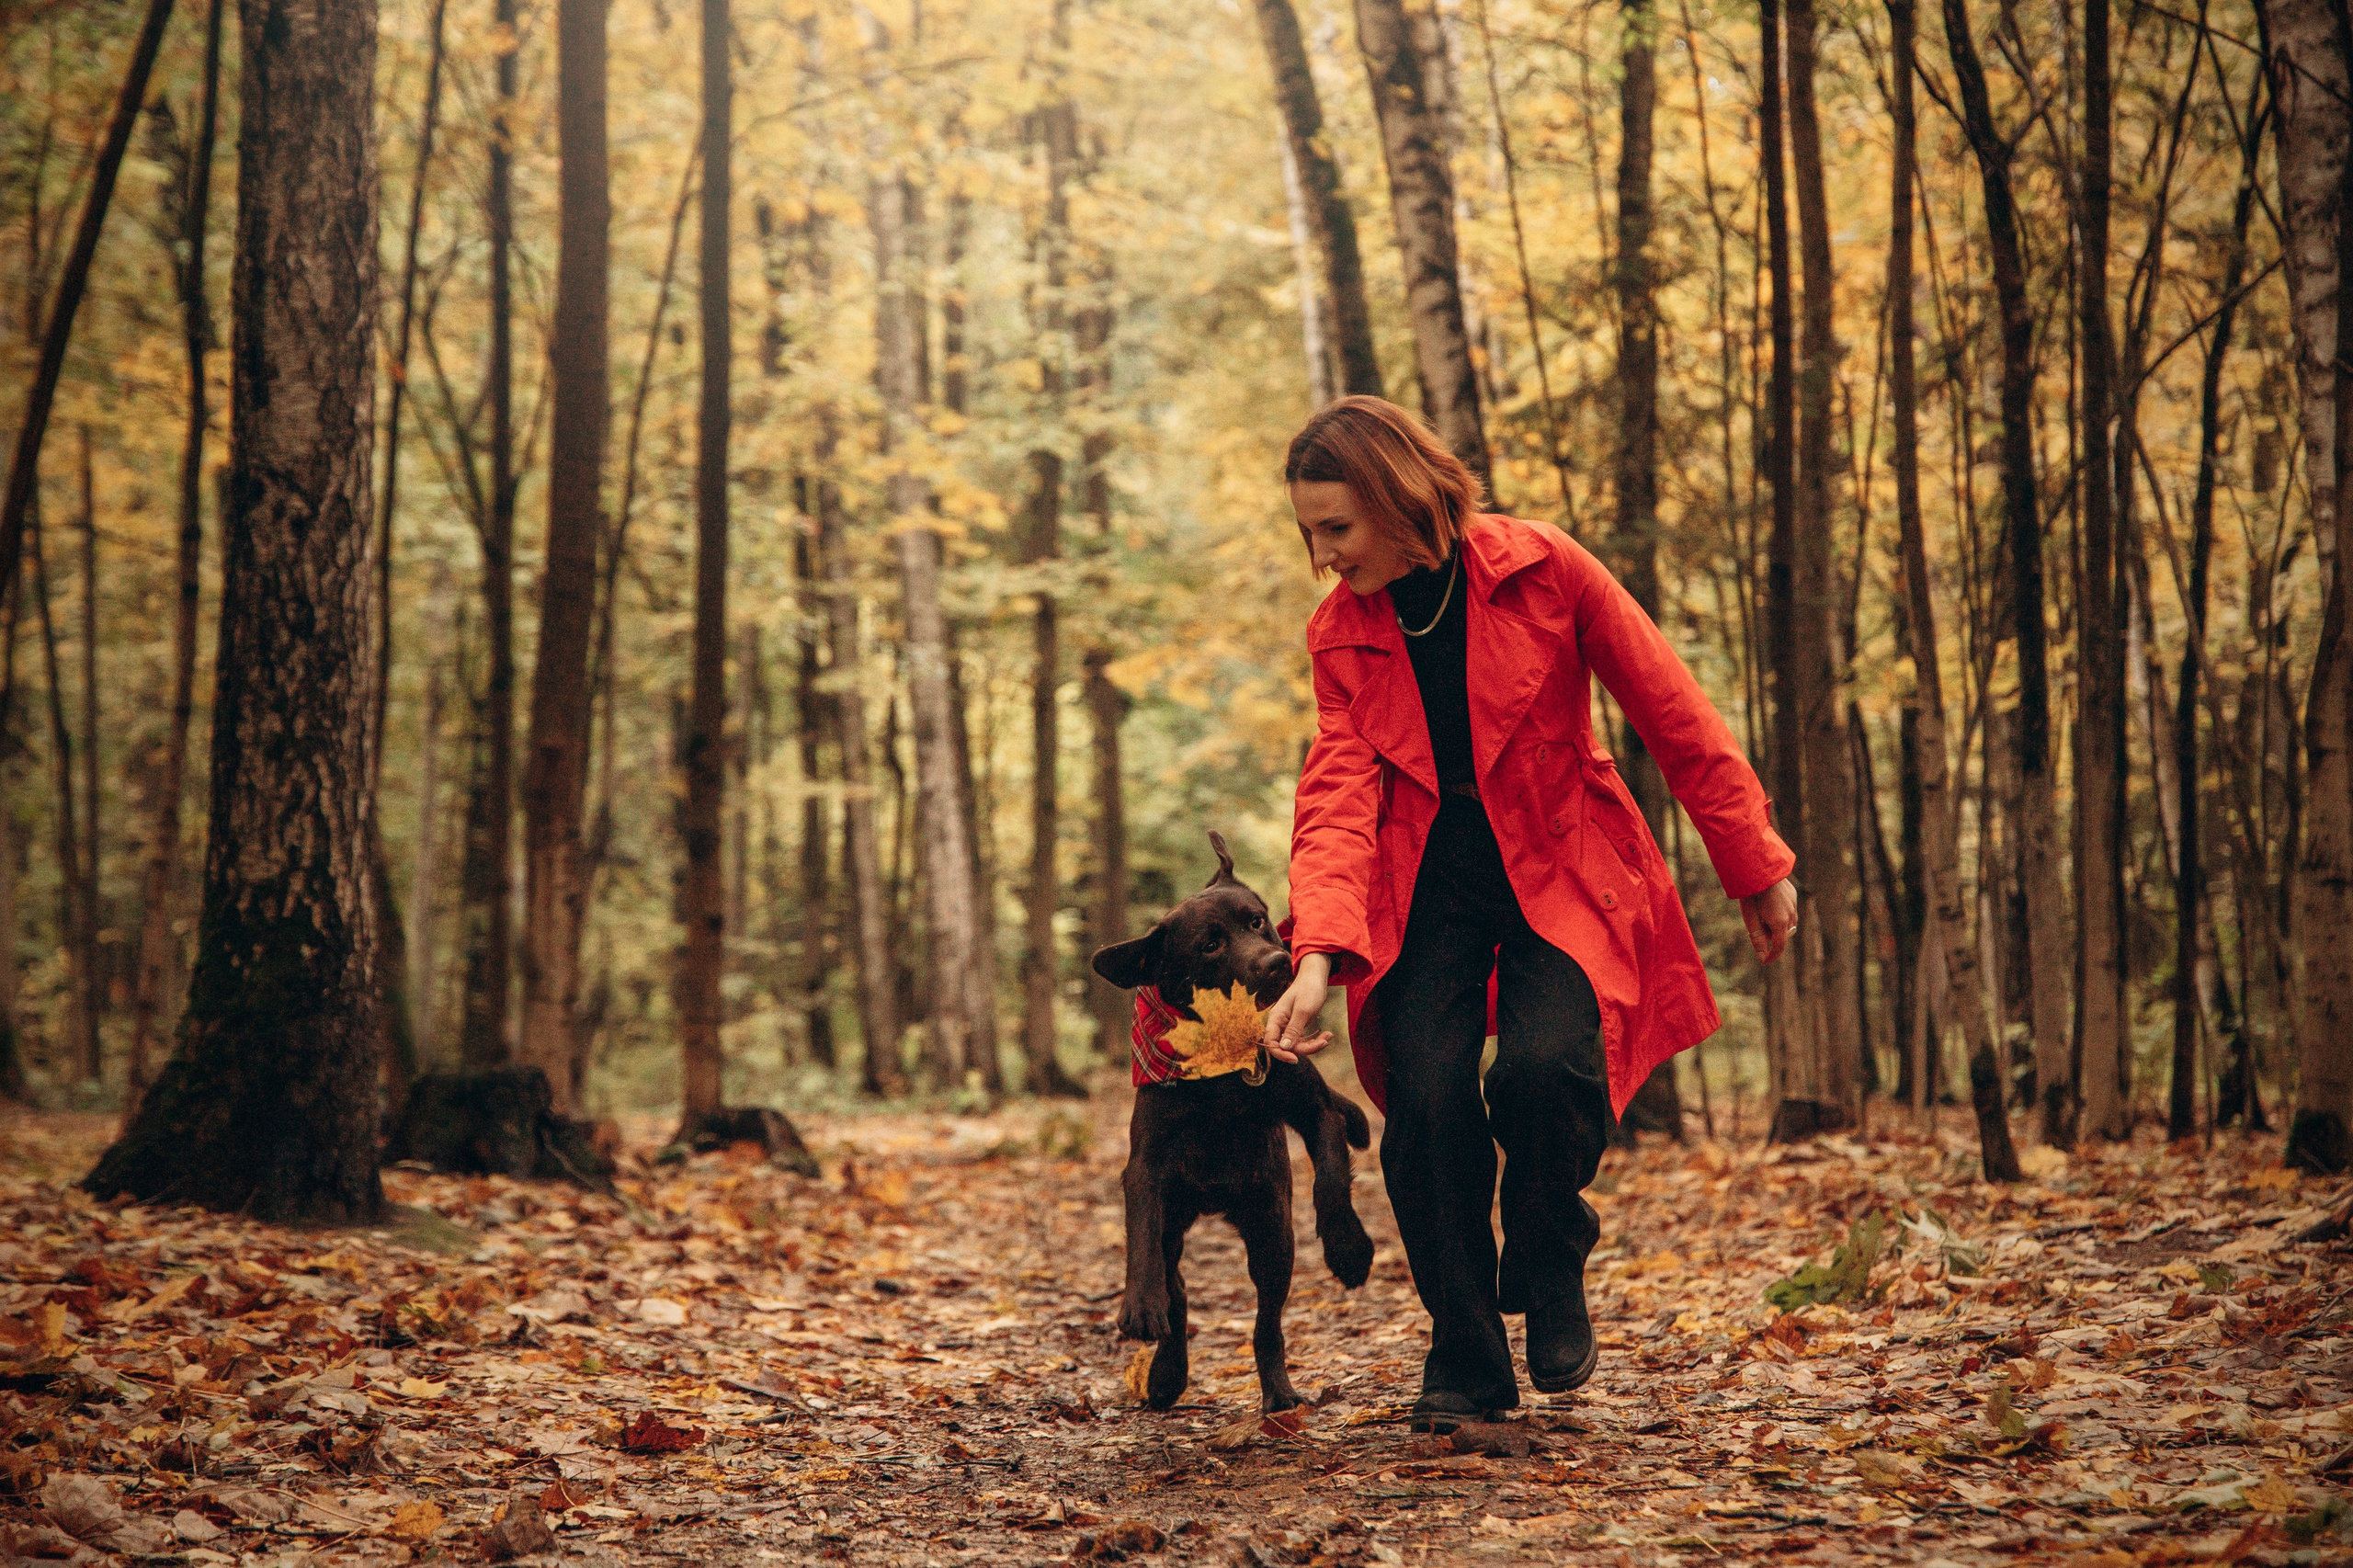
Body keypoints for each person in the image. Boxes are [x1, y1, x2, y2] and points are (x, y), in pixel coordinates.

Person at [1258, 396, 1798, 1430]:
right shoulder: (1342, 630)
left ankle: (1549, 1252)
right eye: (1308, 533)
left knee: (1546, 1068)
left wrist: (1752, 860)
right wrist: (1319, 951)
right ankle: (1463, 1353)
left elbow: (1669, 706)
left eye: (1337, 527)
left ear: (1395, 494)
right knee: (1421, 1097)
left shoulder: (1544, 566)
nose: (1323, 556)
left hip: (1561, 861)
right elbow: (1335, 790)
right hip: (1424, 885)